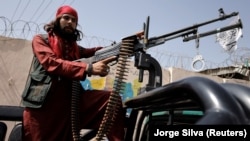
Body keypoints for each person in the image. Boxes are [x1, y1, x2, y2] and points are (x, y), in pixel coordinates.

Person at [21, 5, 125, 141]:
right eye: (66, 18)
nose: (70, 22)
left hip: (70, 105)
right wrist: (88, 68)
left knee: (112, 100)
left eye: (74, 20)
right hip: (44, 108)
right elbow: (51, 63)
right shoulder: (41, 40)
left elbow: (97, 51)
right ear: (57, 20)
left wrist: (126, 43)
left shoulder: (75, 48)